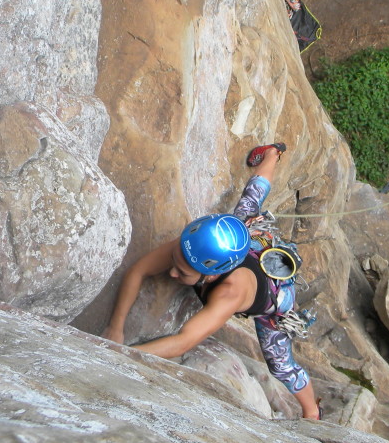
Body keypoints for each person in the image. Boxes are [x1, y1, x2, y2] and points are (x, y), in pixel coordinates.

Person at [103, 143, 321, 420]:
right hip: (246, 244)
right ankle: (273, 154)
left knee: (280, 365)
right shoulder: (197, 245)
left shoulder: (229, 294)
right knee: (249, 203)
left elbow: (183, 341)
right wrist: (115, 326)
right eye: (175, 262)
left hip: (273, 297)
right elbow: (139, 270)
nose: (171, 273)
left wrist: (119, 356)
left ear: (212, 275)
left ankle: (313, 411)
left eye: (182, 273)